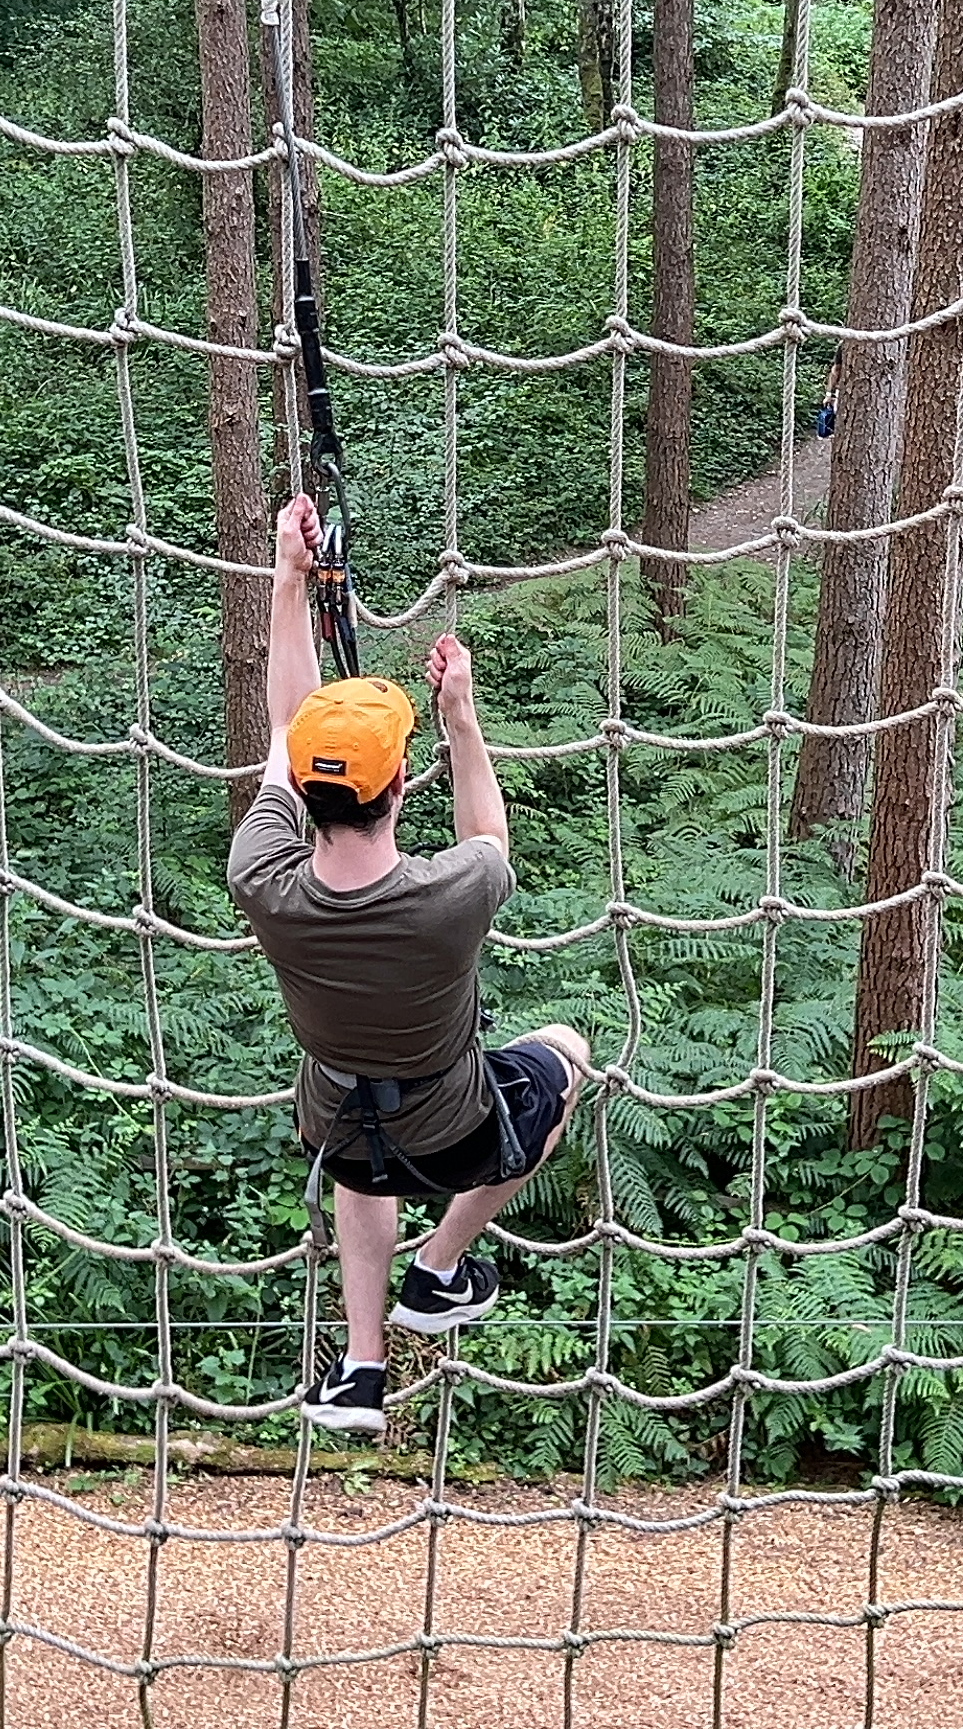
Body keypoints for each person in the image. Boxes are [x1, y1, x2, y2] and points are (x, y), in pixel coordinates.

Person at [229, 492, 592, 1436]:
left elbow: (285, 722)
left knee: (363, 1163)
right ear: (400, 786)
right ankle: (438, 1268)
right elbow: (488, 831)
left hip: (335, 1120)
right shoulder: (452, 894)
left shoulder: (262, 877)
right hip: (452, 1122)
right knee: (564, 1055)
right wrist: (461, 719)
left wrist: (287, 577)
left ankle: (360, 1367)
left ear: (305, 790)